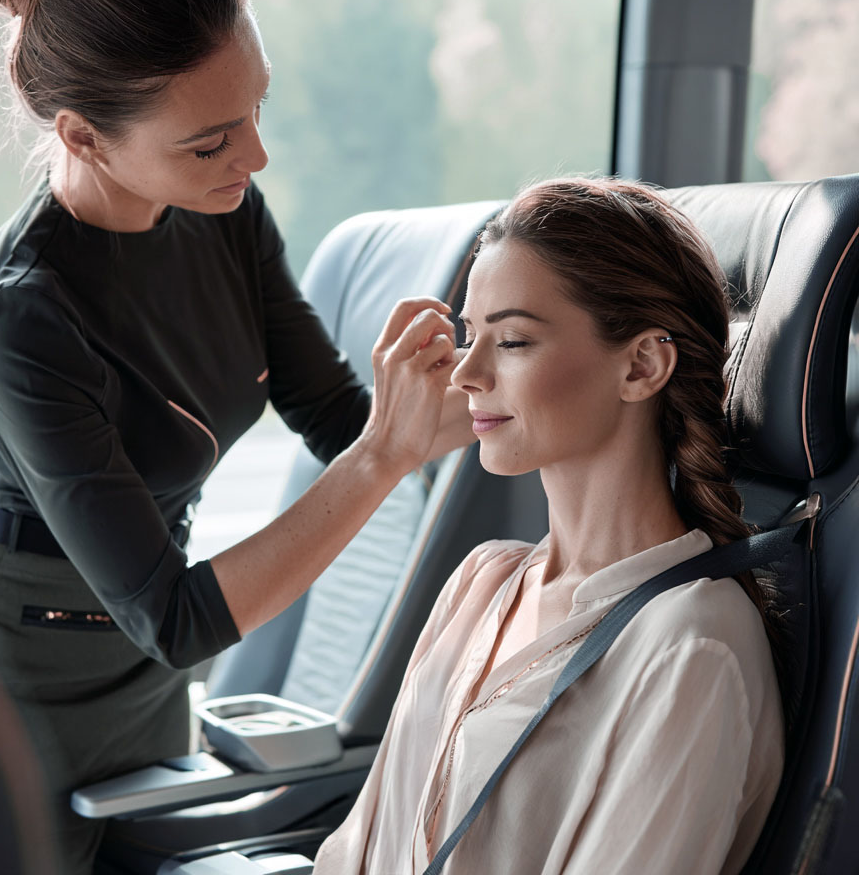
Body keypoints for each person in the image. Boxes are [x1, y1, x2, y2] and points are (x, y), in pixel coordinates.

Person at [0, 0, 471, 874]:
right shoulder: (24, 312)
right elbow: (175, 615)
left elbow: (329, 407)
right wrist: (391, 452)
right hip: (11, 666)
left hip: (140, 653)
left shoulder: (224, 210)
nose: (252, 156)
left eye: (253, 109)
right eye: (211, 139)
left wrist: (470, 408)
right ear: (83, 135)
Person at [313, 178, 783, 875]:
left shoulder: (692, 646)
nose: (466, 373)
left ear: (643, 364)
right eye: (469, 337)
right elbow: (359, 846)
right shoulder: (479, 584)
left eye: (512, 341)